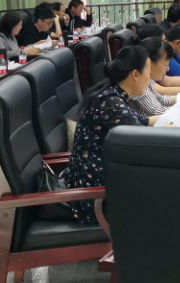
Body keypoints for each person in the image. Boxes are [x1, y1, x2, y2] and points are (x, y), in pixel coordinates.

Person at [64, 45, 152, 224]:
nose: (150, 79)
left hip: (105, 180)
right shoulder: (110, 102)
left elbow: (142, 121)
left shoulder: (113, 93)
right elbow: (142, 143)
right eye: (148, 73)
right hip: (97, 197)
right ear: (135, 74)